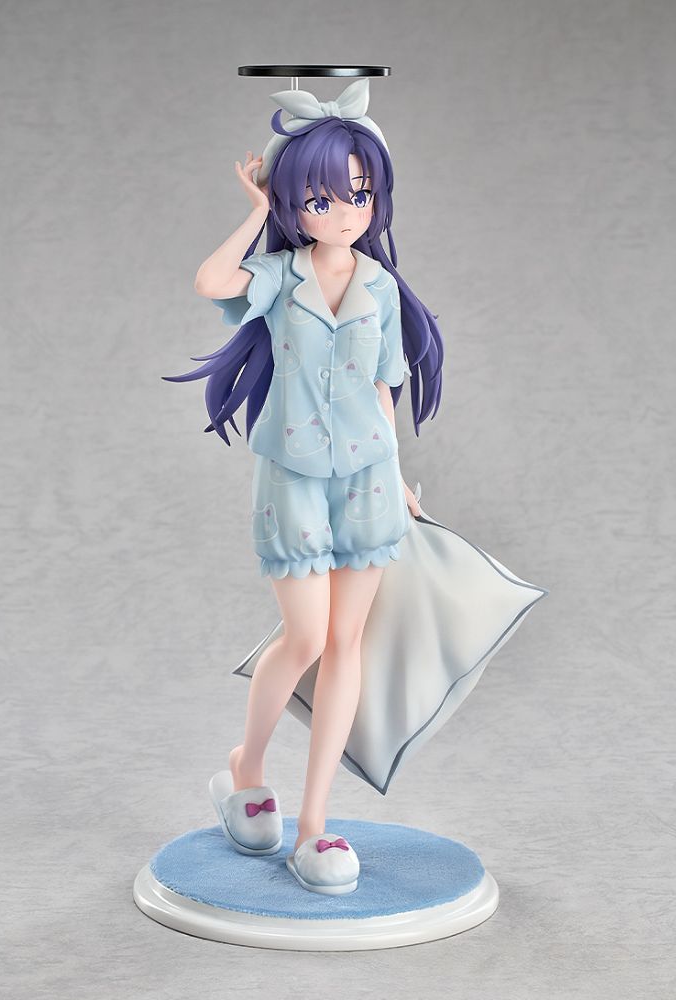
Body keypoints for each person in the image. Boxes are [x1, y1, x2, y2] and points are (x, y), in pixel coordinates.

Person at [164, 79, 444, 894]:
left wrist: (399, 479)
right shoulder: (278, 278)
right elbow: (211, 281)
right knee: (306, 639)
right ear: (294, 203)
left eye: (359, 193)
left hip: (366, 481)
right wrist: (254, 209)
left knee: (346, 645)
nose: (345, 212)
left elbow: (384, 387)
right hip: (291, 477)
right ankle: (246, 768)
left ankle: (315, 826)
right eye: (321, 199)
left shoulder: (380, 288)